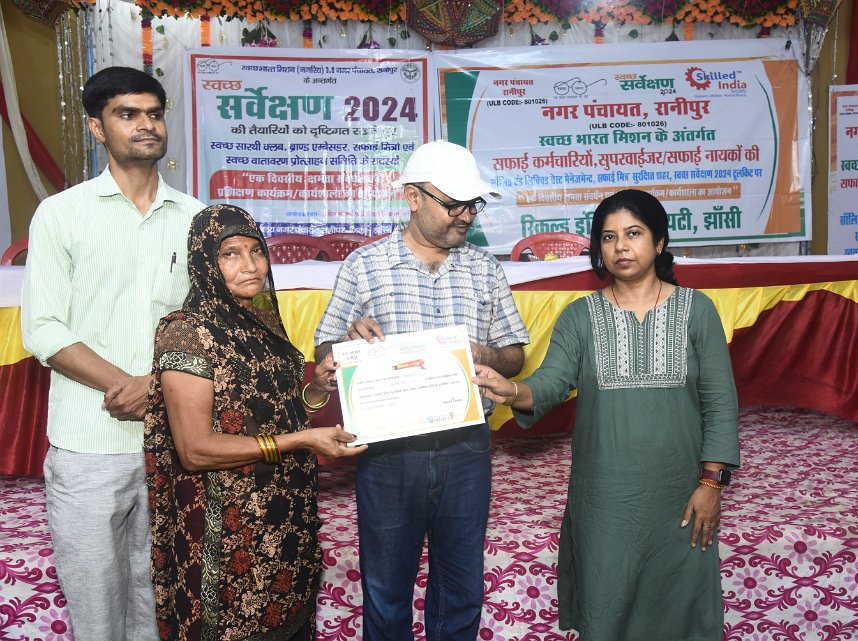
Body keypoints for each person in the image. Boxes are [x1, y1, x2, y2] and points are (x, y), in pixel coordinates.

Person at [473, 189, 741, 641]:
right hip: (604, 502)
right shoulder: (580, 316)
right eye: (609, 237)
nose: (621, 247)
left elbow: (720, 402)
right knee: (607, 609)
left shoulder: (697, 310)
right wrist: (512, 390)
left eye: (633, 234)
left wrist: (711, 484)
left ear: (659, 241)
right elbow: (550, 383)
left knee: (680, 614)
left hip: (680, 498)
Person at [312, 140, 530, 641]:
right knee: (386, 590)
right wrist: (345, 345)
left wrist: (483, 353)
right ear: (413, 197)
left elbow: (514, 353)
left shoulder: (485, 269)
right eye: (453, 204)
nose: (466, 216)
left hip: (467, 448)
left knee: (461, 588)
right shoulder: (364, 266)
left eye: (473, 205)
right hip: (389, 453)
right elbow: (325, 348)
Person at [20, 66, 204, 641]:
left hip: (176, 445)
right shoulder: (62, 214)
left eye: (154, 113)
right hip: (88, 446)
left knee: (162, 604)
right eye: (128, 114)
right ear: (97, 128)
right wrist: (131, 384)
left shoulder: (197, 219)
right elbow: (43, 329)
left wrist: (158, 387)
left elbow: (210, 329)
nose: (146, 125)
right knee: (97, 611)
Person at [143, 204, 366, 641]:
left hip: (285, 529)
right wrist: (301, 441)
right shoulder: (186, 332)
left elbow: (279, 414)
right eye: (230, 253)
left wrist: (317, 387)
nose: (250, 265)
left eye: (256, 250)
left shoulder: (261, 318)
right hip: (228, 540)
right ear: (205, 262)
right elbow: (195, 449)